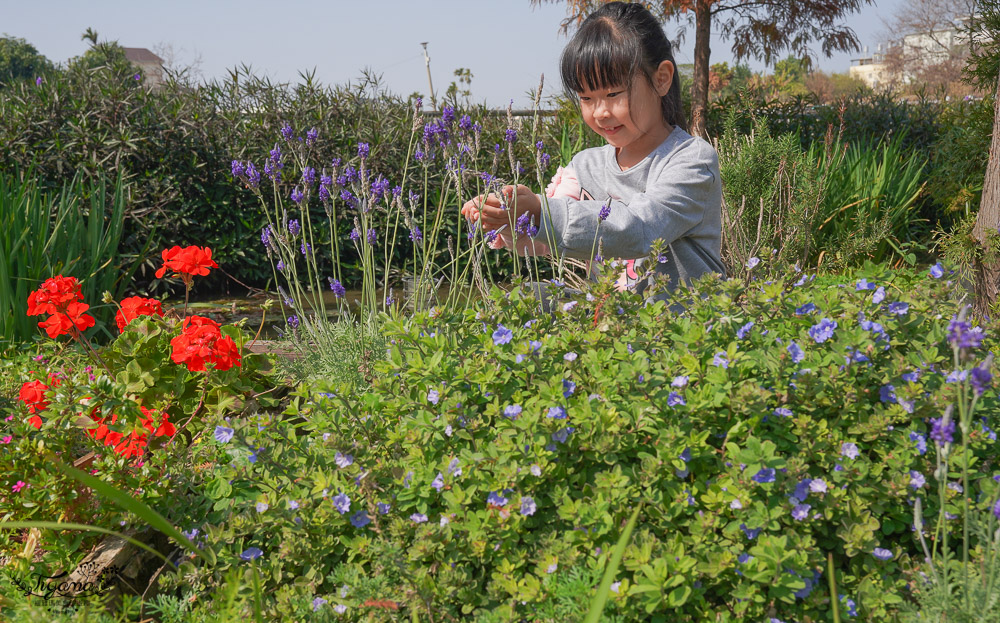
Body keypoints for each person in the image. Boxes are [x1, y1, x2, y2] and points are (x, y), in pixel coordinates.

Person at [461, 1, 725, 302]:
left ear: (661, 78)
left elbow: (640, 230)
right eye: (586, 98)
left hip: (685, 332)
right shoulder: (584, 167)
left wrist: (540, 211)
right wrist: (509, 217)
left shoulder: (691, 160)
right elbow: (548, 238)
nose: (600, 112)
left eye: (613, 94)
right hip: (613, 328)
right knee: (530, 296)